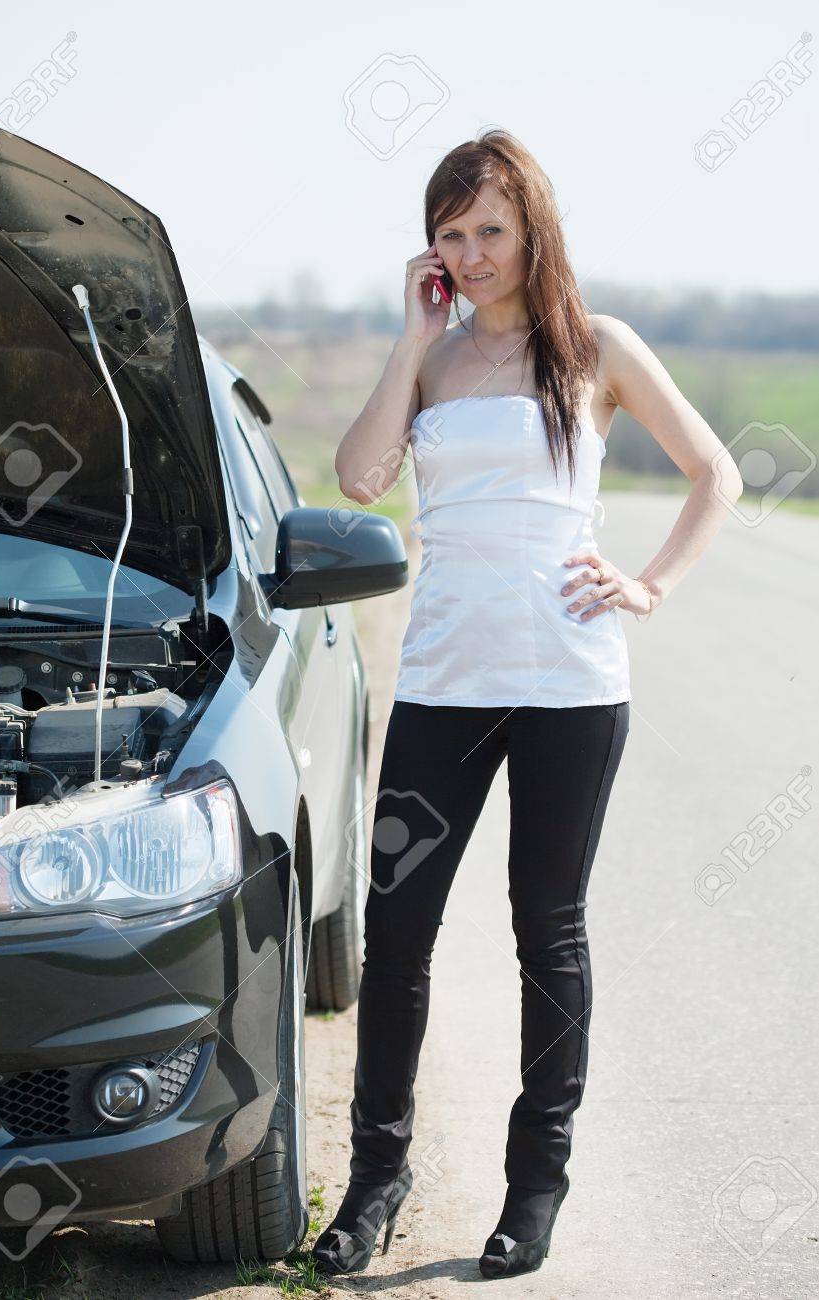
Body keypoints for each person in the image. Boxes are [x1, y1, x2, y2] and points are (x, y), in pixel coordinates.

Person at [311, 128, 743, 1279]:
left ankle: (534, 1184)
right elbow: (359, 475)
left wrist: (649, 583)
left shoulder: (596, 349)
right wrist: (410, 342)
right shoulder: (437, 360)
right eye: (451, 233)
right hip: (444, 687)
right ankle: (375, 1178)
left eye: (490, 228)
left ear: (532, 225)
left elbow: (719, 472)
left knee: (545, 932)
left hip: (570, 689)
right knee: (396, 933)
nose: (473, 250)